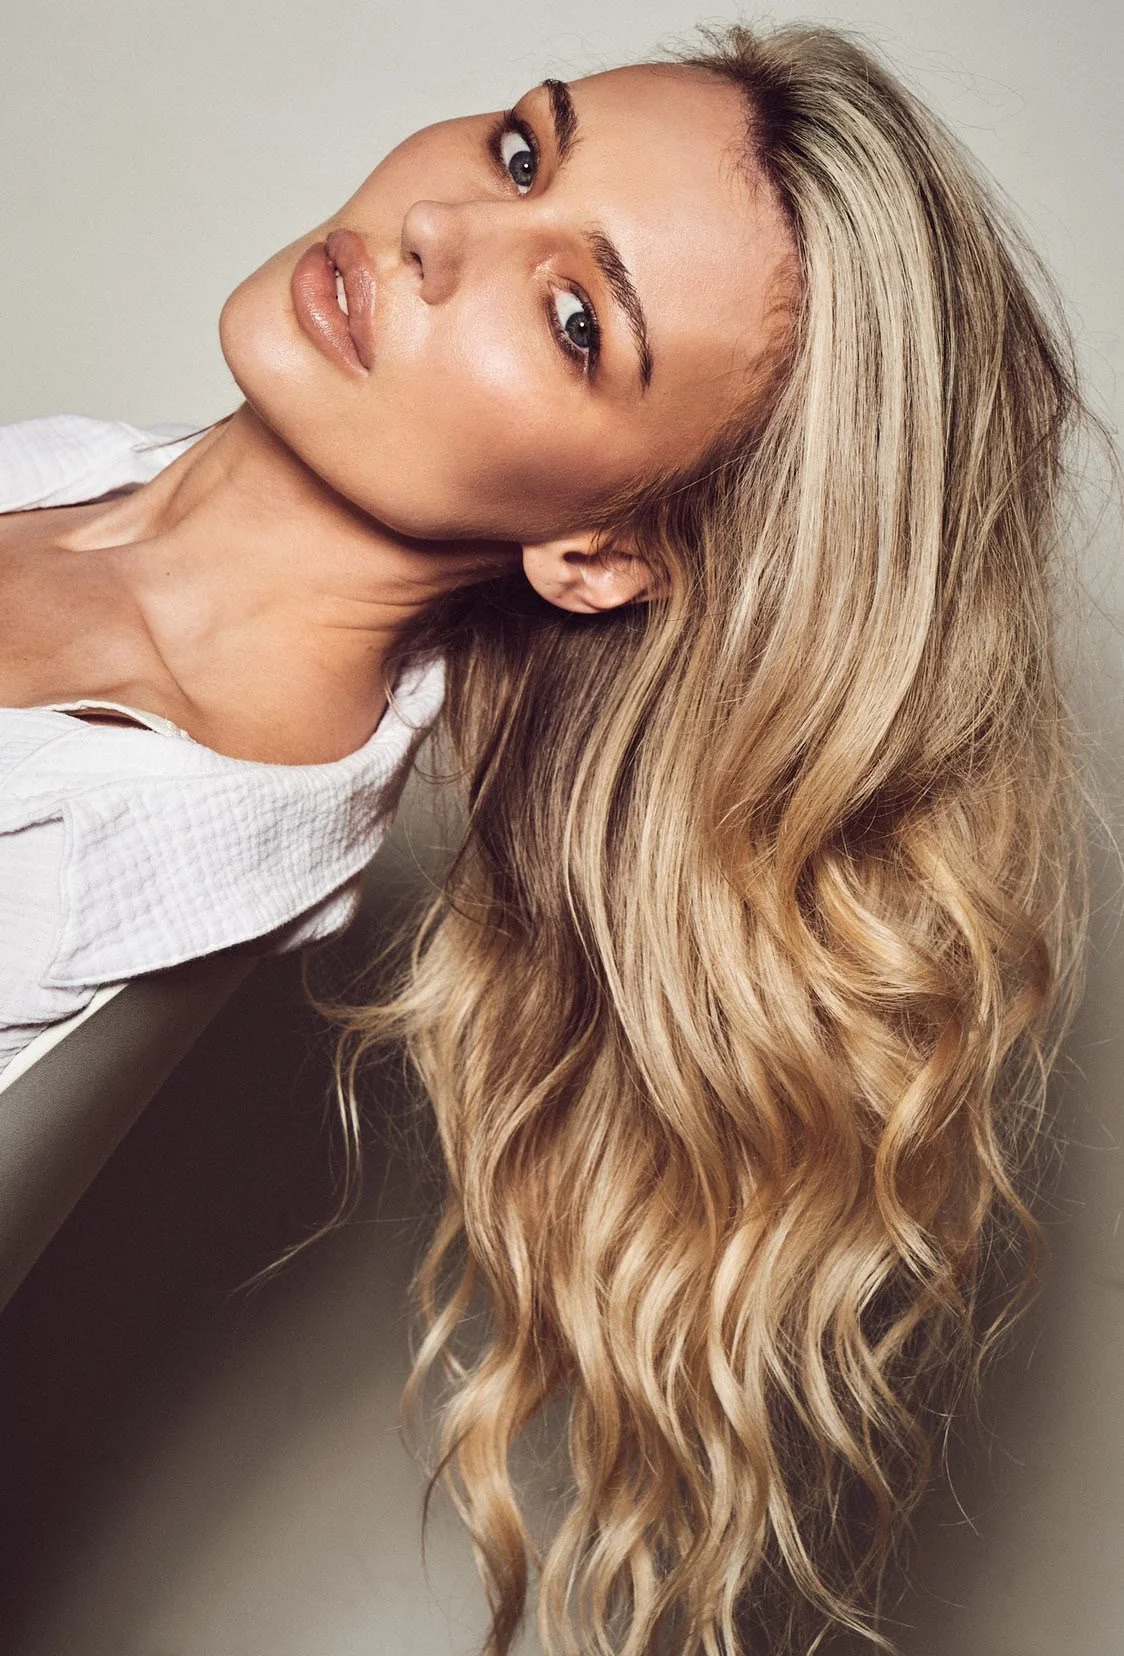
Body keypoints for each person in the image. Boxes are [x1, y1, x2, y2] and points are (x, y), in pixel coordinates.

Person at [0, 17, 1110, 1655]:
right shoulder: (75, 481)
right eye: (525, 150)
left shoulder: (115, 849)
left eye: (578, 318)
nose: (441, 230)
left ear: (603, 551)